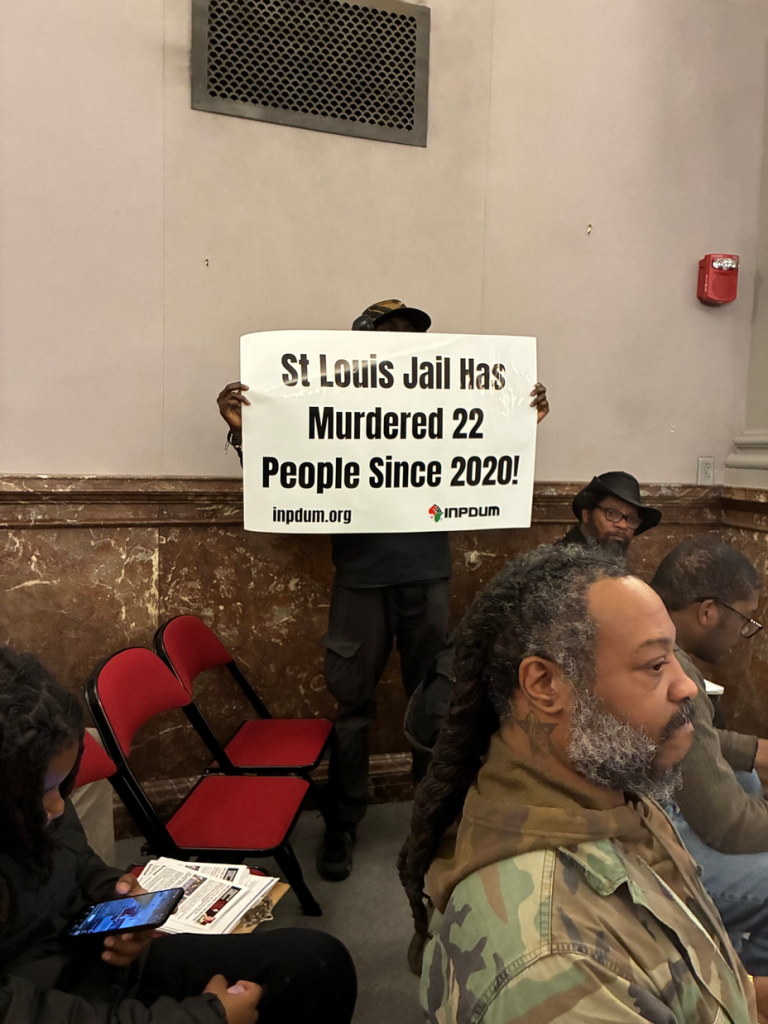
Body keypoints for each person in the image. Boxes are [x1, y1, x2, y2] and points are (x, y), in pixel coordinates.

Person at [217, 298, 550, 881]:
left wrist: (518, 419)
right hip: (361, 582)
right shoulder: (331, 401)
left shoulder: (439, 402)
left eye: (409, 336)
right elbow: (291, 467)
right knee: (352, 708)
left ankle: (434, 816)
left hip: (427, 577)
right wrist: (246, 431)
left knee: (439, 701)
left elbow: (479, 449)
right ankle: (343, 821)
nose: (402, 345)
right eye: (390, 334)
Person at [399, 544, 761, 1023]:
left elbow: (701, 984)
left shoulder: (611, 794)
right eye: (655, 665)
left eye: (675, 657)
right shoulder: (550, 962)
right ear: (545, 684)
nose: (687, 686)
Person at [0, 647, 357, 1024]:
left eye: (62, 786)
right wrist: (208, 1017)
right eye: (40, 794)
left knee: (317, 963)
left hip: (93, 962)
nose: (58, 807)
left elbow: (73, 859)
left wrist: (112, 896)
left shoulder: (26, 786)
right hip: (48, 1005)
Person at [650, 536, 768, 974]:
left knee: (745, 778)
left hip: (643, 820)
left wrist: (752, 751)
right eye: (745, 620)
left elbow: (698, 737)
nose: (743, 635)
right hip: (645, 851)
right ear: (707, 612)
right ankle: (744, 989)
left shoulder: (651, 641)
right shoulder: (674, 668)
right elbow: (728, 825)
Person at [558, 470, 661, 550]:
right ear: (587, 515)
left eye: (631, 518)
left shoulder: (606, 562)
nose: (623, 525)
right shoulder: (562, 564)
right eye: (611, 513)